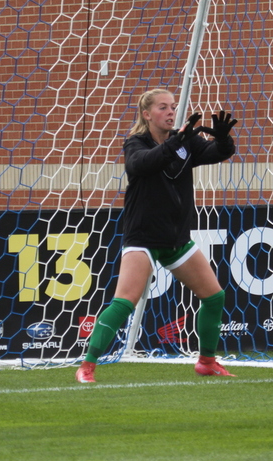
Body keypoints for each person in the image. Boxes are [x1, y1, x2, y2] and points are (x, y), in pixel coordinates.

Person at [75, 89, 238, 383]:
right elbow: (142, 164)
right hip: (143, 239)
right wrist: (175, 142)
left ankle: (206, 361)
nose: (170, 112)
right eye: (163, 107)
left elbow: (219, 153)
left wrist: (224, 139)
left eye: (173, 107)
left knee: (214, 297)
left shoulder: (185, 141)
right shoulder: (135, 143)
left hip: (176, 240)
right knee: (124, 302)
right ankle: (87, 366)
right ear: (147, 114)